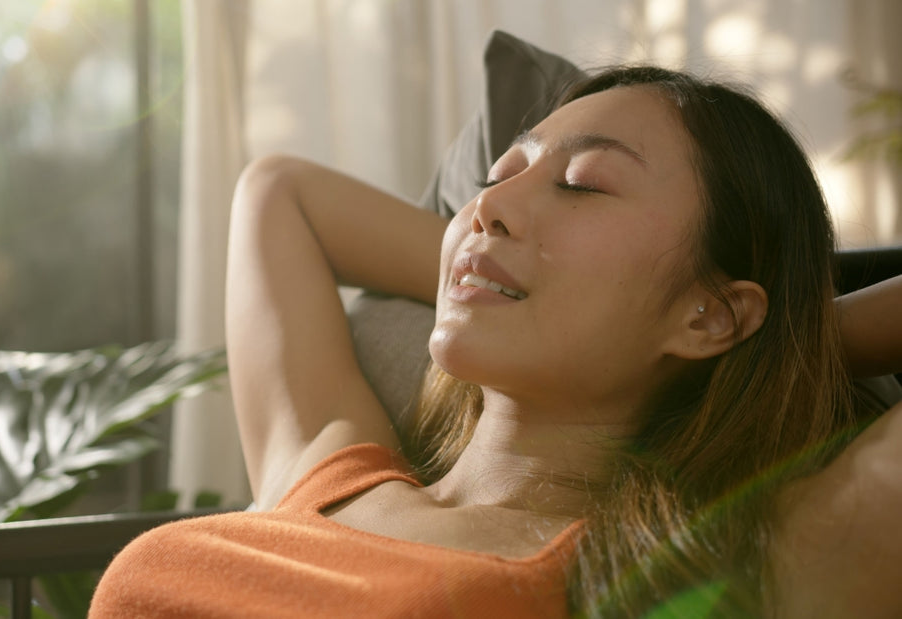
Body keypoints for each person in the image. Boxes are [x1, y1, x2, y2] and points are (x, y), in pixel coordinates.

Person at [89, 66, 902, 617]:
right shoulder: (322, 475)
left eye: (582, 183)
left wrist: (785, 343)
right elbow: (279, 192)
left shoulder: (705, 561)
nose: (487, 206)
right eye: (497, 174)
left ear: (712, 315)